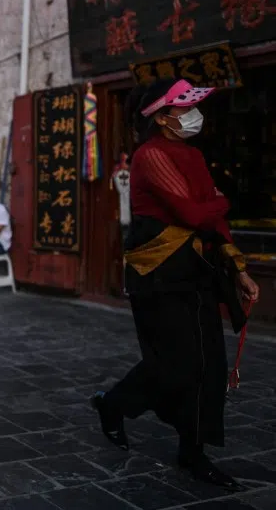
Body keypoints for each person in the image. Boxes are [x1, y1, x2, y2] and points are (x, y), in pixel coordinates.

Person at [91, 79, 260, 490]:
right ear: (163, 117)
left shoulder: (193, 155)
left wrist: (238, 268)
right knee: (174, 365)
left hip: (199, 269)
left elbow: (211, 221)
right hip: (158, 274)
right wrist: (220, 200)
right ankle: (114, 405)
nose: (191, 116)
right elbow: (195, 212)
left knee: (208, 364)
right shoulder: (150, 155)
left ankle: (193, 452)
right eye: (184, 110)